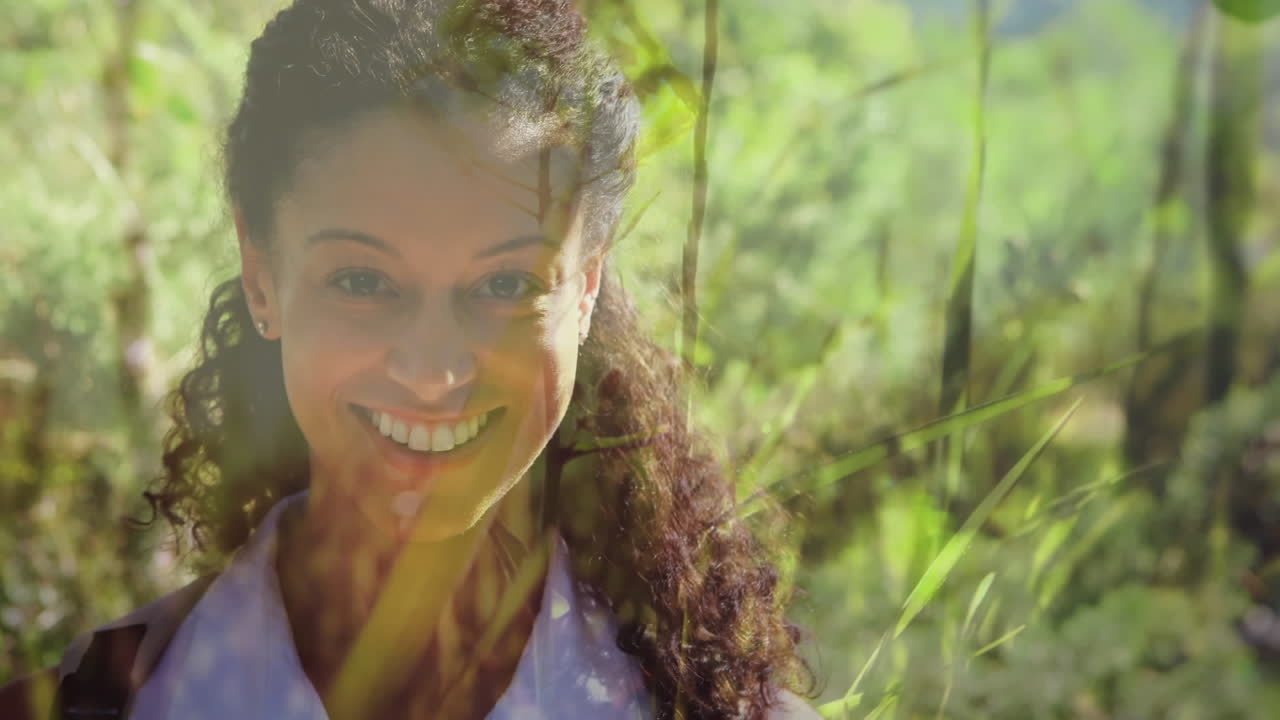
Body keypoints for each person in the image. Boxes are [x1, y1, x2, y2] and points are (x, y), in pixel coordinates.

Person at [1, 0, 816, 717]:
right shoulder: (90, 707)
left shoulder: (727, 715)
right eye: (362, 281)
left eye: (505, 283)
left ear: (587, 285)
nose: (435, 372)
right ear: (263, 278)